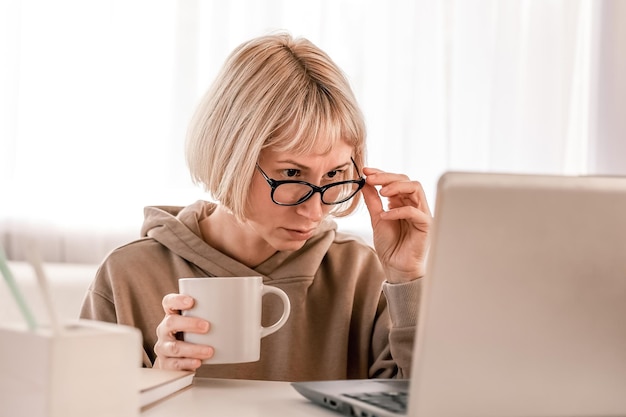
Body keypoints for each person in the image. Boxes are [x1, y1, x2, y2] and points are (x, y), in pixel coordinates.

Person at [80, 32, 432, 382]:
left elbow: (426, 404)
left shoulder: (360, 273)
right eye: (292, 173)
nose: (315, 211)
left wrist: (406, 279)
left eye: (335, 173)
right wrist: (157, 382)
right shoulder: (127, 276)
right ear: (229, 157)